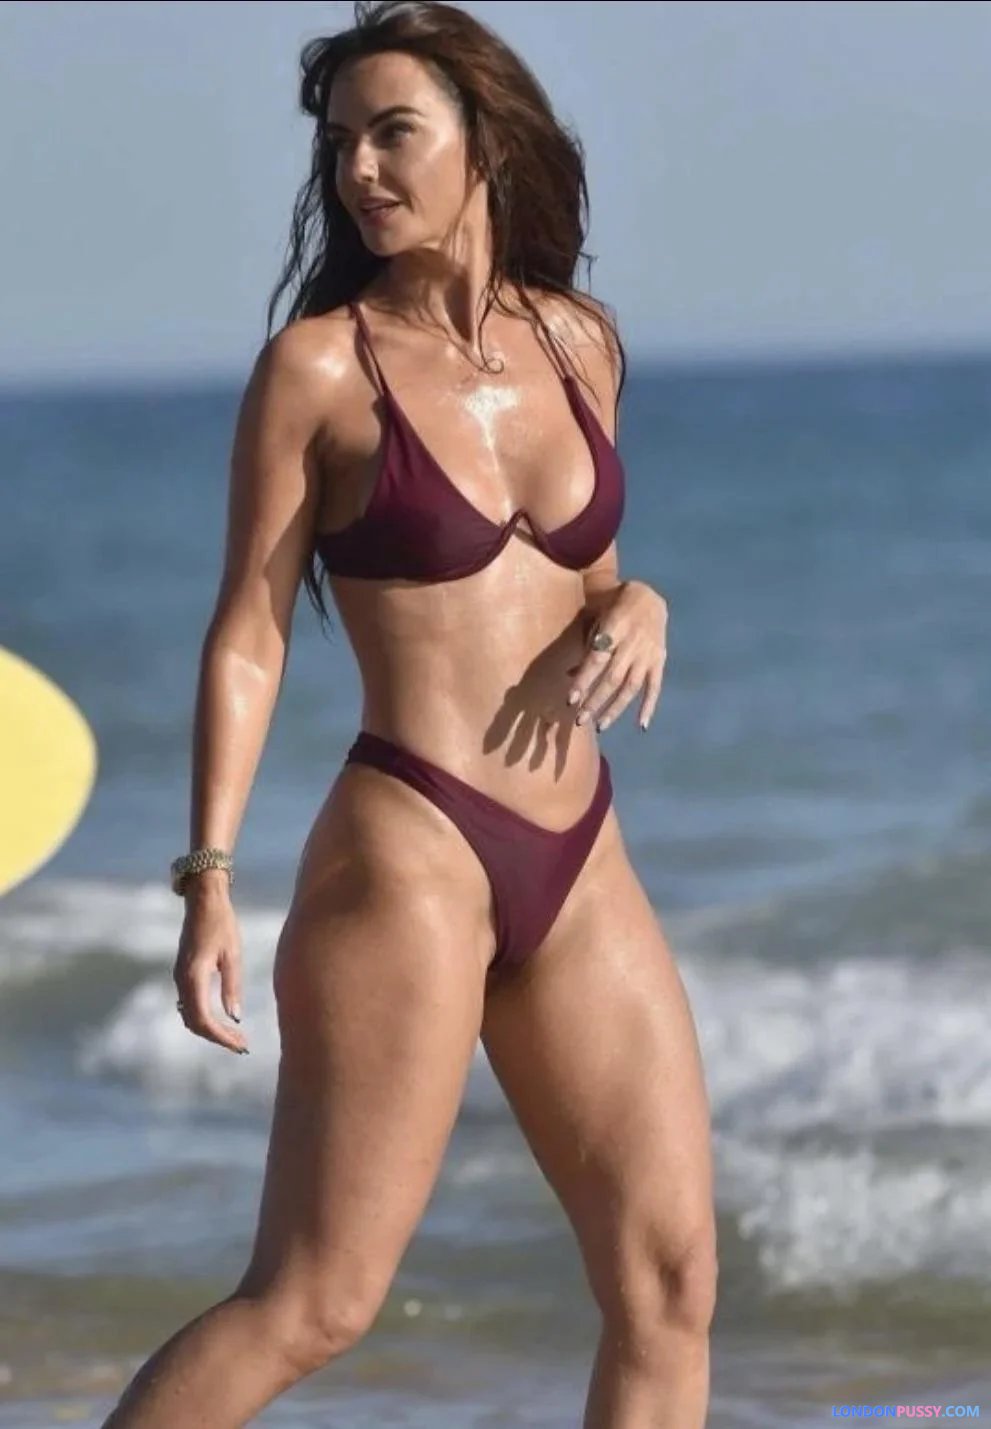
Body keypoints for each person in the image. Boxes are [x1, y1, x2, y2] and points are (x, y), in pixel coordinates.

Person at [101, 2, 716, 1425]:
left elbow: (587, 578)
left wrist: (643, 604)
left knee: (670, 1282)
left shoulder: (580, 344)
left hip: (580, 856)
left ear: (484, 142)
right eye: (340, 145)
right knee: (313, 1302)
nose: (359, 171)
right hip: (412, 852)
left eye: (393, 133)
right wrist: (207, 878)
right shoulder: (320, 370)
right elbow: (249, 633)